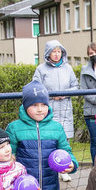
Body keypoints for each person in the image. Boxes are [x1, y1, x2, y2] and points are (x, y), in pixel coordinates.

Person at [33, 40, 79, 182]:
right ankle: (48, 167)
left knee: (63, 139)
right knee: (48, 138)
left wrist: (64, 94)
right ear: (48, 53)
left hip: (65, 108)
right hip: (49, 109)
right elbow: (36, 88)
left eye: (59, 51)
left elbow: (76, 87)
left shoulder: (68, 69)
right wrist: (52, 95)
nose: (57, 54)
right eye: (54, 51)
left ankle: (62, 168)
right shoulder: (41, 69)